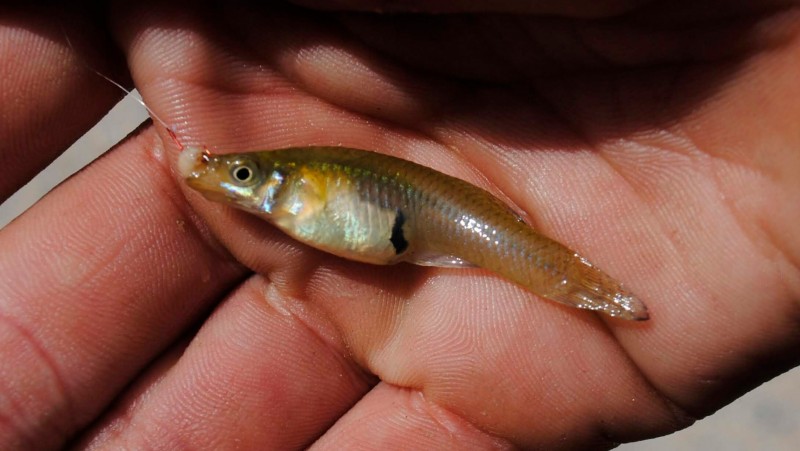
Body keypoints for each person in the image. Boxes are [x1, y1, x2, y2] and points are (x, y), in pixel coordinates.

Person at [1, 1, 798, 449]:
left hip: (439, 217)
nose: (239, 185)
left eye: (247, 176)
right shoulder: (289, 187)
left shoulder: (302, 182)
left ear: (275, 179)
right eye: (244, 177)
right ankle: (594, 292)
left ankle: (595, 292)